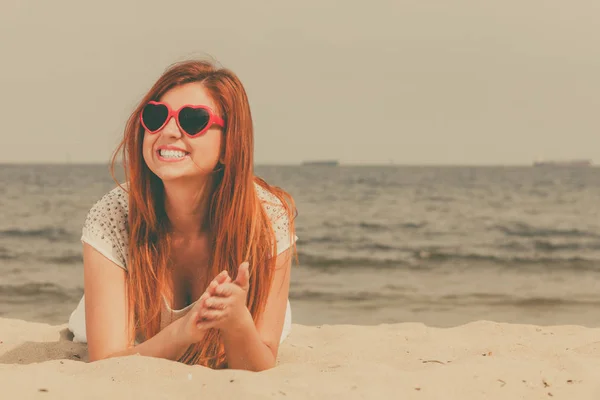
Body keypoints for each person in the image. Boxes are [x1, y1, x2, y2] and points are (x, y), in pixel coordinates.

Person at [67, 59, 298, 371]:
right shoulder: (113, 216)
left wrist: (238, 323)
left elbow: (261, 365)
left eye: (193, 120)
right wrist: (182, 331)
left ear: (230, 142)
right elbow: (107, 362)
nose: (169, 131)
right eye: (156, 116)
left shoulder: (268, 218)